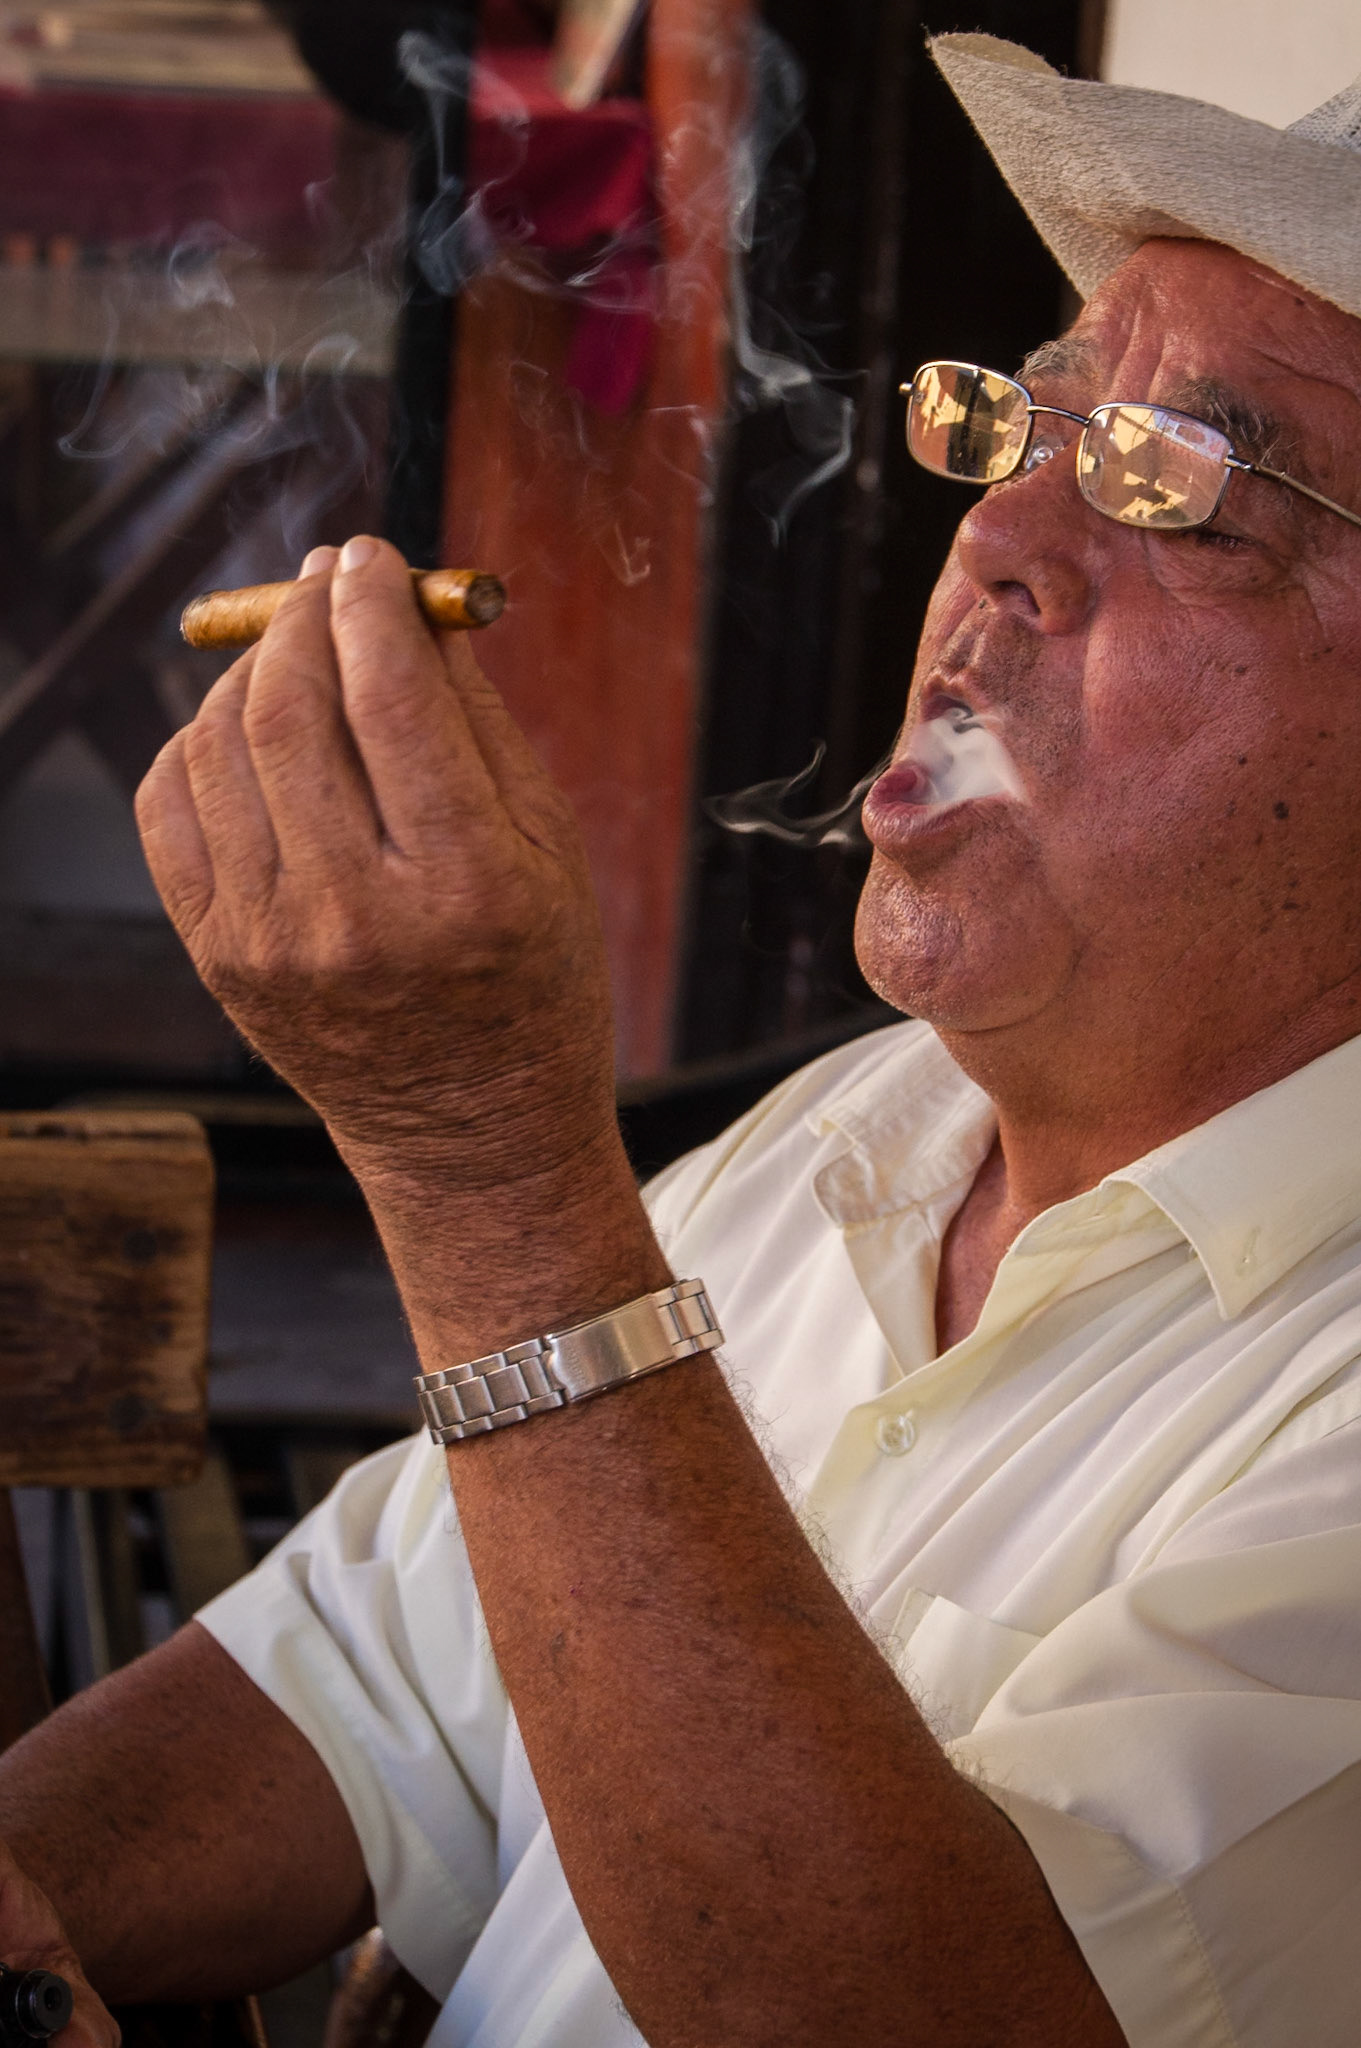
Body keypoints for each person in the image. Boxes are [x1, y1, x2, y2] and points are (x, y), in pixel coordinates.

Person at [6, 31, 1361, 2047]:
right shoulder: (877, 1123)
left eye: (1179, 484)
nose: (1002, 545)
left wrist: (489, 1175)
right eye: (1031, 430)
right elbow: (367, 1689)